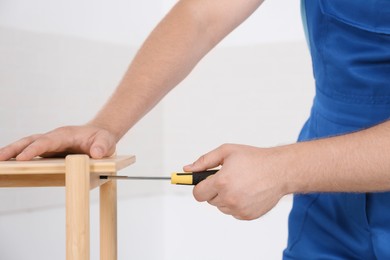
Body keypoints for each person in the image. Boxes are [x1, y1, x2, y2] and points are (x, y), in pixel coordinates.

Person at [1, 0, 390, 258]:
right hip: (327, 206)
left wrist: (287, 169)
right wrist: (104, 126)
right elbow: (202, 15)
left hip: (313, 171)